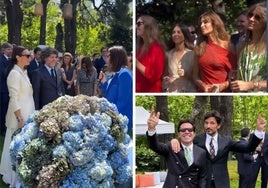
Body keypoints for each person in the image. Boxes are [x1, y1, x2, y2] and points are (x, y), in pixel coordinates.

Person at [171, 110, 264, 188]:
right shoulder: (197, 140)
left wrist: (258, 132)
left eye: (212, 123)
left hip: (221, 183)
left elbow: (248, 147)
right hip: (202, 183)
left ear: (218, 125)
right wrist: (174, 140)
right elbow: (182, 145)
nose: (208, 126)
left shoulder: (226, 140)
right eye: (206, 123)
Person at [0, 46, 35, 187]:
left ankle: (21, 176)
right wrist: (20, 118)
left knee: (23, 148)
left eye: (30, 55)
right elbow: (13, 99)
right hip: (19, 118)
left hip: (28, 113)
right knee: (15, 147)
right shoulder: (14, 74)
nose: (30, 58)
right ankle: (13, 178)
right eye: (27, 55)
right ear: (18, 57)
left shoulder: (23, 72)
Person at [146, 107, 207, 188]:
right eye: (183, 130)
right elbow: (155, 146)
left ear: (194, 133)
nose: (186, 132)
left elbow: (202, 177)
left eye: (190, 129)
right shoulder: (171, 147)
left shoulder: (201, 152)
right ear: (179, 134)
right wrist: (151, 129)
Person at [193, 11, 237, 92]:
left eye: (205, 22)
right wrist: (203, 86)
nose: (202, 25)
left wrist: (223, 86)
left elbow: (235, 74)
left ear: (215, 23)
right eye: (200, 23)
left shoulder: (228, 46)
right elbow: (195, 76)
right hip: (203, 93)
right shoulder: (199, 47)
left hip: (224, 93)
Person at [230, 2, 267, 92]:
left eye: (257, 17)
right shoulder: (241, 45)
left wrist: (251, 85)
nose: (251, 19)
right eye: (250, 15)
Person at [99, 46, 132, 134]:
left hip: (119, 120)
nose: (106, 58)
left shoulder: (124, 74)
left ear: (116, 58)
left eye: (108, 56)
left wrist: (111, 117)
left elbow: (122, 101)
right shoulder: (116, 74)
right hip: (112, 118)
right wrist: (104, 83)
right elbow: (111, 93)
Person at [136, 15, 165, 92]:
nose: (136, 27)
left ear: (149, 26)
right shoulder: (140, 48)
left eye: (139, 24)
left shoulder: (156, 48)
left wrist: (136, 63)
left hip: (150, 90)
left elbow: (153, 75)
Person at [163, 24, 196, 92]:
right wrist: (167, 79)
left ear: (184, 35)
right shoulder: (168, 54)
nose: (175, 34)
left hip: (188, 91)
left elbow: (197, 78)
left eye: (179, 32)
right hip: (172, 91)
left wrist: (186, 74)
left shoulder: (192, 54)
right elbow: (165, 74)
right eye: (173, 32)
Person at [250, 114, 268, 188]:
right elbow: (249, 146)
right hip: (256, 158)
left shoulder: (267, 135)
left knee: (265, 178)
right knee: (253, 177)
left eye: (263, 124)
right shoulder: (253, 135)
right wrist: (255, 148)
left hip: (266, 160)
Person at [0, 42, 13, 136]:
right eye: (8, 49)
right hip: (3, 89)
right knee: (3, 109)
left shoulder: (11, 60)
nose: (10, 51)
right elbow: (4, 74)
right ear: (3, 50)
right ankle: (2, 129)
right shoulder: (1, 61)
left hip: (10, 89)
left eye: (11, 49)